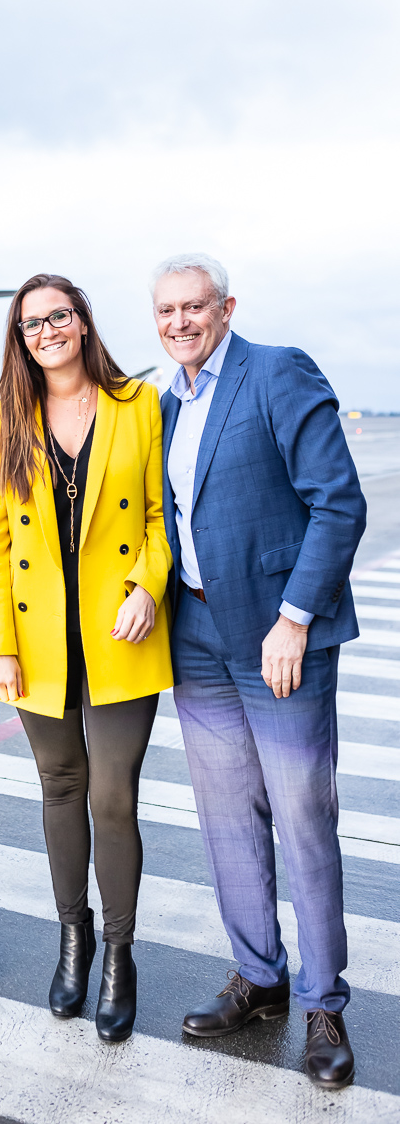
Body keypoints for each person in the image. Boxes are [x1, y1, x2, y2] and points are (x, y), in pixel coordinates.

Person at [151, 252, 366, 1090]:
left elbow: (337, 501)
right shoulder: (165, 404)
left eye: (194, 307)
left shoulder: (277, 373)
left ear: (226, 307)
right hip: (198, 634)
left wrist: (296, 618)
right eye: (166, 311)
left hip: (281, 639)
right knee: (227, 820)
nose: (179, 323)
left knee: (303, 817)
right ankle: (260, 976)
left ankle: (323, 1001)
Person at [0, 273, 173, 1042]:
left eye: (59, 316)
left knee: (113, 796)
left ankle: (120, 954)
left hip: (120, 632)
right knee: (60, 788)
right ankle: (74, 939)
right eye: (32, 324)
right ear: (20, 339)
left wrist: (147, 585)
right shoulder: (3, 422)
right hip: (38, 643)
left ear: (83, 322)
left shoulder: (137, 404)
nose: (47, 331)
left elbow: (158, 516)